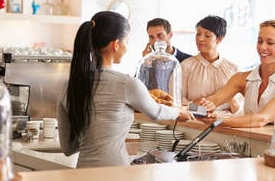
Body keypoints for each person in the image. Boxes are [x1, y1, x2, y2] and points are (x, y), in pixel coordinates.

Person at [56, 11, 194, 168]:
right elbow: (156, 112)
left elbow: (68, 147)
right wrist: (179, 112)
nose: (126, 48)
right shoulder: (126, 83)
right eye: (126, 42)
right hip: (116, 172)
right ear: (115, 44)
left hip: (82, 173)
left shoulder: (68, 86)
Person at [197, 19, 275, 128]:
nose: (262, 47)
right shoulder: (240, 78)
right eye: (260, 41)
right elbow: (213, 101)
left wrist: (220, 120)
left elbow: (262, 118)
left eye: (270, 43)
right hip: (245, 142)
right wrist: (196, 109)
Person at [180, 15, 240, 112]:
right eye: (198, 34)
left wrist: (228, 97)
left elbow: (240, 110)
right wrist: (198, 107)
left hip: (226, 124)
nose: (200, 39)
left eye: (207, 35)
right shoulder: (185, 66)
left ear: (219, 39)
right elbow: (177, 105)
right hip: (194, 124)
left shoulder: (234, 69)